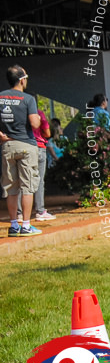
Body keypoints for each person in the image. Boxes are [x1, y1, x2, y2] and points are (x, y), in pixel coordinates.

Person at [2, 66, 42, 237]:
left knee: (11, 188)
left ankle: (13, 225)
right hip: (26, 145)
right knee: (27, 187)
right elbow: (34, 123)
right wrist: (39, 118)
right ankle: (25, 225)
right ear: (22, 80)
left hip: (7, 146)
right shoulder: (28, 99)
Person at [17, 105, 55, 223]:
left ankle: (19, 213)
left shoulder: (18, 113)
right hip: (38, 147)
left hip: (22, 146)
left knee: (21, 180)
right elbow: (47, 133)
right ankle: (40, 211)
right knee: (38, 180)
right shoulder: (38, 112)